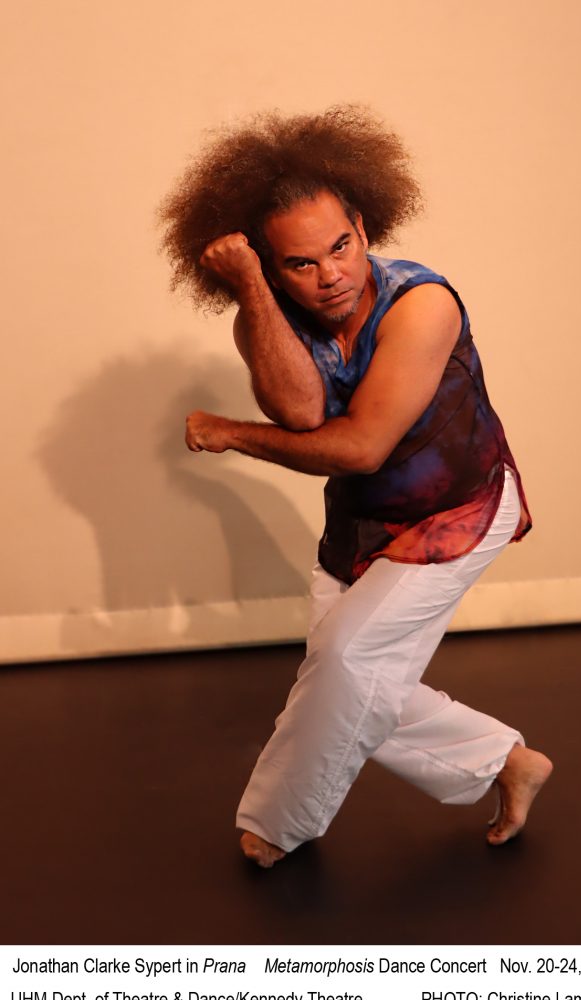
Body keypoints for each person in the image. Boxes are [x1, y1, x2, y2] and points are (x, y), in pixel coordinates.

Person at [159, 106, 552, 868]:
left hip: (458, 510)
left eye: (340, 247)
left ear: (365, 226)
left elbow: (362, 446)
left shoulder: (422, 305)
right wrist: (249, 289)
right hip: (363, 524)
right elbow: (303, 409)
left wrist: (231, 432)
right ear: (271, 269)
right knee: (351, 680)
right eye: (299, 264)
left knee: (343, 663)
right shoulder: (267, 318)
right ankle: (506, 761)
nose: (330, 274)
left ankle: (278, 824)